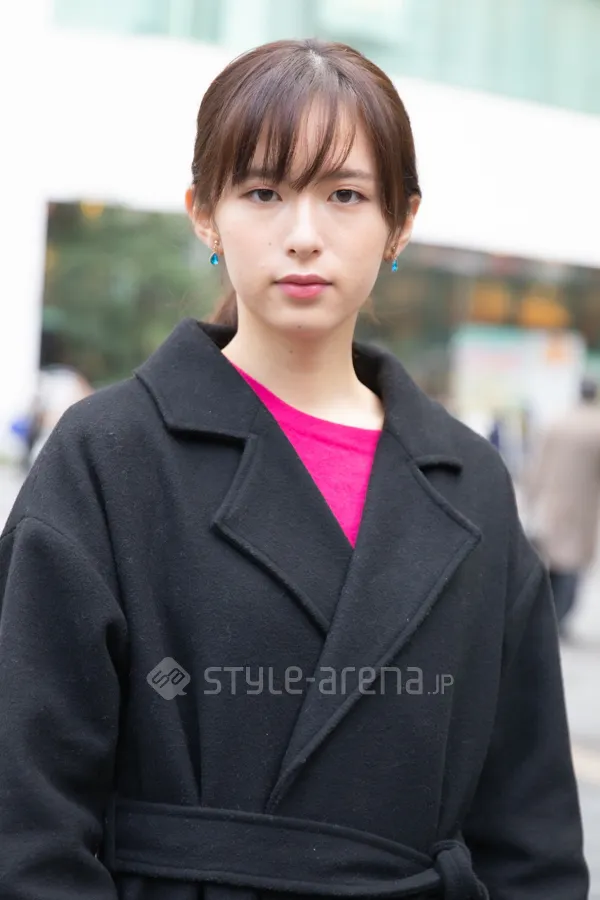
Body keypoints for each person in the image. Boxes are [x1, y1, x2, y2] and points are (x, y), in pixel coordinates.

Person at [0, 39, 588, 900]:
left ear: (401, 222)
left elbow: (532, 833)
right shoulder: (108, 453)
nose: (304, 236)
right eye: (263, 193)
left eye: (345, 195)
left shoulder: (470, 479)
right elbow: (26, 820)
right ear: (205, 213)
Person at [523, 376, 600, 637]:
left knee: (554, 561)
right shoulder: (596, 426)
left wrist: (531, 495)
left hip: (552, 501)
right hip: (584, 505)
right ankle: (560, 617)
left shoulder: (557, 422)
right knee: (572, 563)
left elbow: (537, 463)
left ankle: (551, 616)